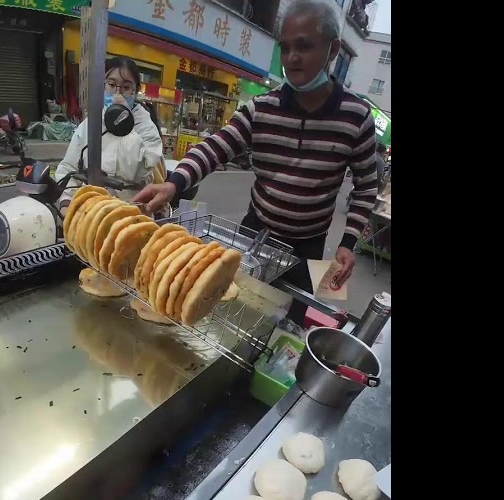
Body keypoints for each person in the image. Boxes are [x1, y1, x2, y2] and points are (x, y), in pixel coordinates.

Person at [133, 0, 380, 329]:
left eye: (303, 46)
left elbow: (366, 185)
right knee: (233, 311)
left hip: (309, 244)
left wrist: (348, 243)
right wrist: (174, 182)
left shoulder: (357, 115)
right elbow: (217, 146)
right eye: (286, 47)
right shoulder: (262, 108)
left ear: (333, 49)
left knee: (288, 321)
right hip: (255, 233)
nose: (291, 58)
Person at [56, 56, 165, 207]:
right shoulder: (91, 124)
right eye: (111, 85)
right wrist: (66, 201)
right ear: (103, 86)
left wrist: (125, 124)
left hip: (132, 212)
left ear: (136, 91)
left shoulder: (146, 128)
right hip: (91, 210)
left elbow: (136, 172)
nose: (117, 93)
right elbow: (69, 167)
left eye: (126, 87)